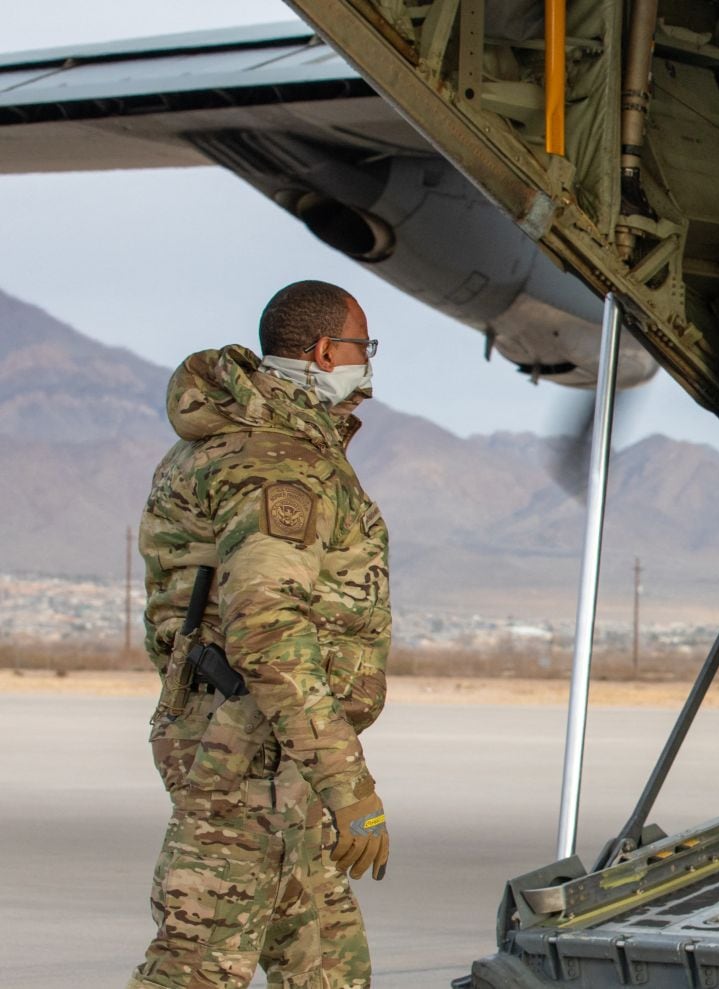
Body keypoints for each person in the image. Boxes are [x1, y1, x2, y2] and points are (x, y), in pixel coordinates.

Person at [130, 280, 391, 989]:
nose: (366, 364)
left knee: (329, 966)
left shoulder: (250, 445)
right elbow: (266, 630)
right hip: (246, 762)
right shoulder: (275, 462)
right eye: (361, 348)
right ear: (323, 350)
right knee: (196, 968)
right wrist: (350, 789)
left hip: (276, 756)